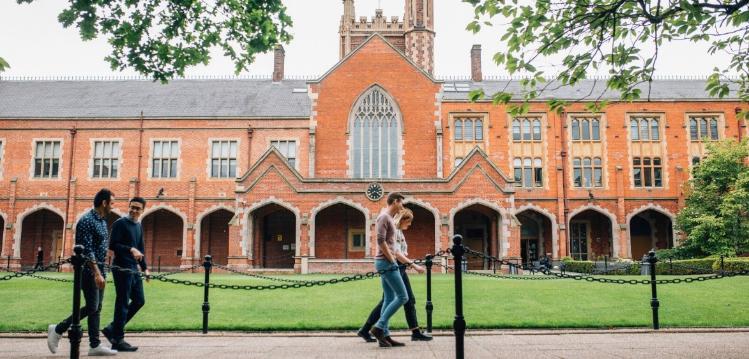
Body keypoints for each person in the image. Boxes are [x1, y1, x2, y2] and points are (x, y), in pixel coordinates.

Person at [47, 189, 118, 356]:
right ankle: (58, 329)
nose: (113, 206)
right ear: (104, 203)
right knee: (92, 306)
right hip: (88, 272)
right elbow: (86, 250)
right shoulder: (86, 220)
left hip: (101, 270)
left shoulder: (101, 220)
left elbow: (99, 246)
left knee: (97, 308)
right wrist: (97, 273)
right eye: (112, 203)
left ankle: (95, 345)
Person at [357, 207, 432, 343]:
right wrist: (414, 266)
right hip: (395, 266)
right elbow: (397, 253)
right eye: (408, 221)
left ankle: (370, 330)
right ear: (402, 219)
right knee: (401, 298)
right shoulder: (395, 231)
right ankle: (379, 329)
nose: (410, 224)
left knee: (393, 299)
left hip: (398, 266)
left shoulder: (399, 231)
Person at [102, 197, 149, 352]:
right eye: (132, 207)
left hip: (133, 269)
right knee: (122, 302)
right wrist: (130, 249)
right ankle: (118, 339)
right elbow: (113, 245)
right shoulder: (120, 223)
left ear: (142, 210)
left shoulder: (138, 226)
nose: (134, 210)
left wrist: (145, 268)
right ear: (129, 207)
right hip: (121, 267)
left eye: (138, 208)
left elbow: (140, 247)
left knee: (139, 300)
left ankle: (112, 329)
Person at [368, 192, 408, 348]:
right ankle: (379, 327)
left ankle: (385, 335)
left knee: (389, 298)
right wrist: (392, 259)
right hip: (386, 262)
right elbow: (380, 240)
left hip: (385, 262)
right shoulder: (384, 217)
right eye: (401, 203)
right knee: (403, 297)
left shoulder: (389, 218)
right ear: (395, 201)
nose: (402, 206)